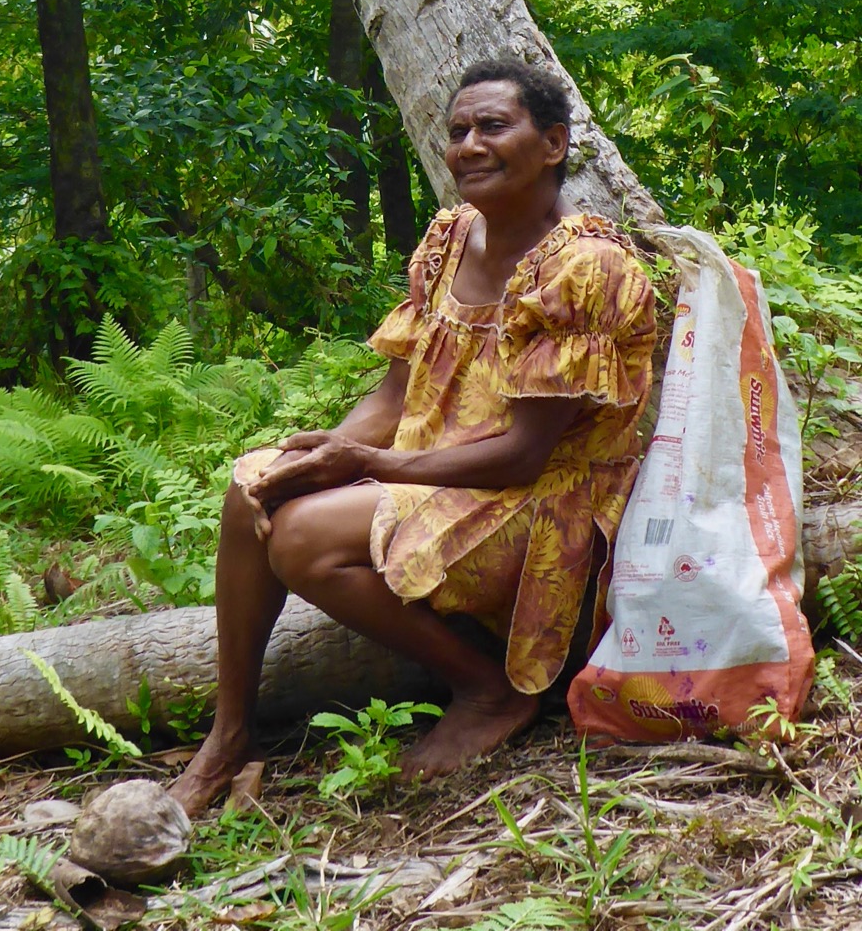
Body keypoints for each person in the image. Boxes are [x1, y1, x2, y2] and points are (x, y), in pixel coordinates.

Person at [169, 57, 656, 819]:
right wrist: (328, 447)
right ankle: (228, 737)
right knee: (252, 490)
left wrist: (368, 464)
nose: (468, 144)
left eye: (494, 126)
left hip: (533, 497)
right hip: (432, 468)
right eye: (458, 130)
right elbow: (400, 391)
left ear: (555, 143)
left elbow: (526, 454)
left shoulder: (585, 268)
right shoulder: (451, 238)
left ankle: (487, 690)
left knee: (300, 541)